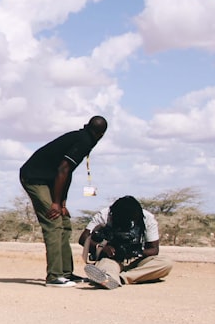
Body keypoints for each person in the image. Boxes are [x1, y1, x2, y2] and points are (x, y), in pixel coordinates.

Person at [19, 116, 108, 287]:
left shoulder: (84, 138)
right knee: (53, 222)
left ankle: (66, 272)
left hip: (49, 179)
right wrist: (55, 203)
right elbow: (63, 169)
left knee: (65, 222)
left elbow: (67, 173)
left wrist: (63, 204)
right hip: (34, 178)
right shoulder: (84, 141)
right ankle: (54, 276)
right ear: (101, 134)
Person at [78, 195, 174, 289]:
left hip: (136, 260)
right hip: (112, 259)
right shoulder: (104, 215)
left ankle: (119, 278)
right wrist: (102, 248)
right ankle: (112, 276)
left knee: (165, 263)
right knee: (105, 265)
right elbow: (83, 239)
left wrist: (135, 252)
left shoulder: (147, 218)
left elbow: (154, 249)